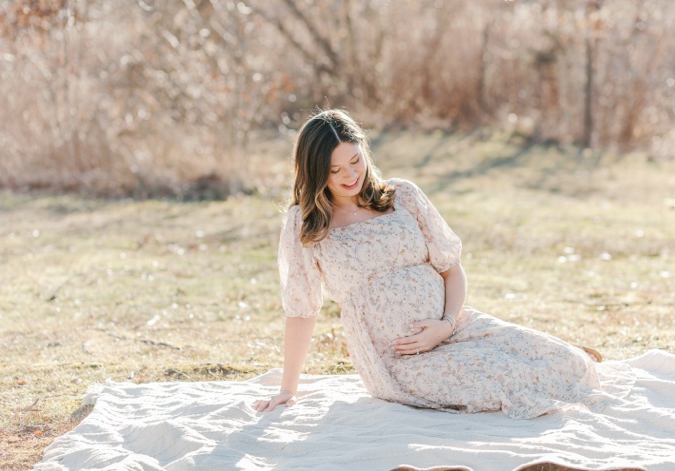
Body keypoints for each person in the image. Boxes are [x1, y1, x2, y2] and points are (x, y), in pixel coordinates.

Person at [254, 109, 602, 417]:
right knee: (508, 378)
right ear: (316, 172)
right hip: (401, 358)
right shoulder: (307, 223)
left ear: (364, 150)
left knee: (567, 363)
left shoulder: (401, 196)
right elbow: (301, 311)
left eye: (355, 161)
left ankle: (567, 354)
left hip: (454, 326)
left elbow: (452, 269)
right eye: (335, 170)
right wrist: (288, 389)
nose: (350, 175)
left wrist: (446, 325)